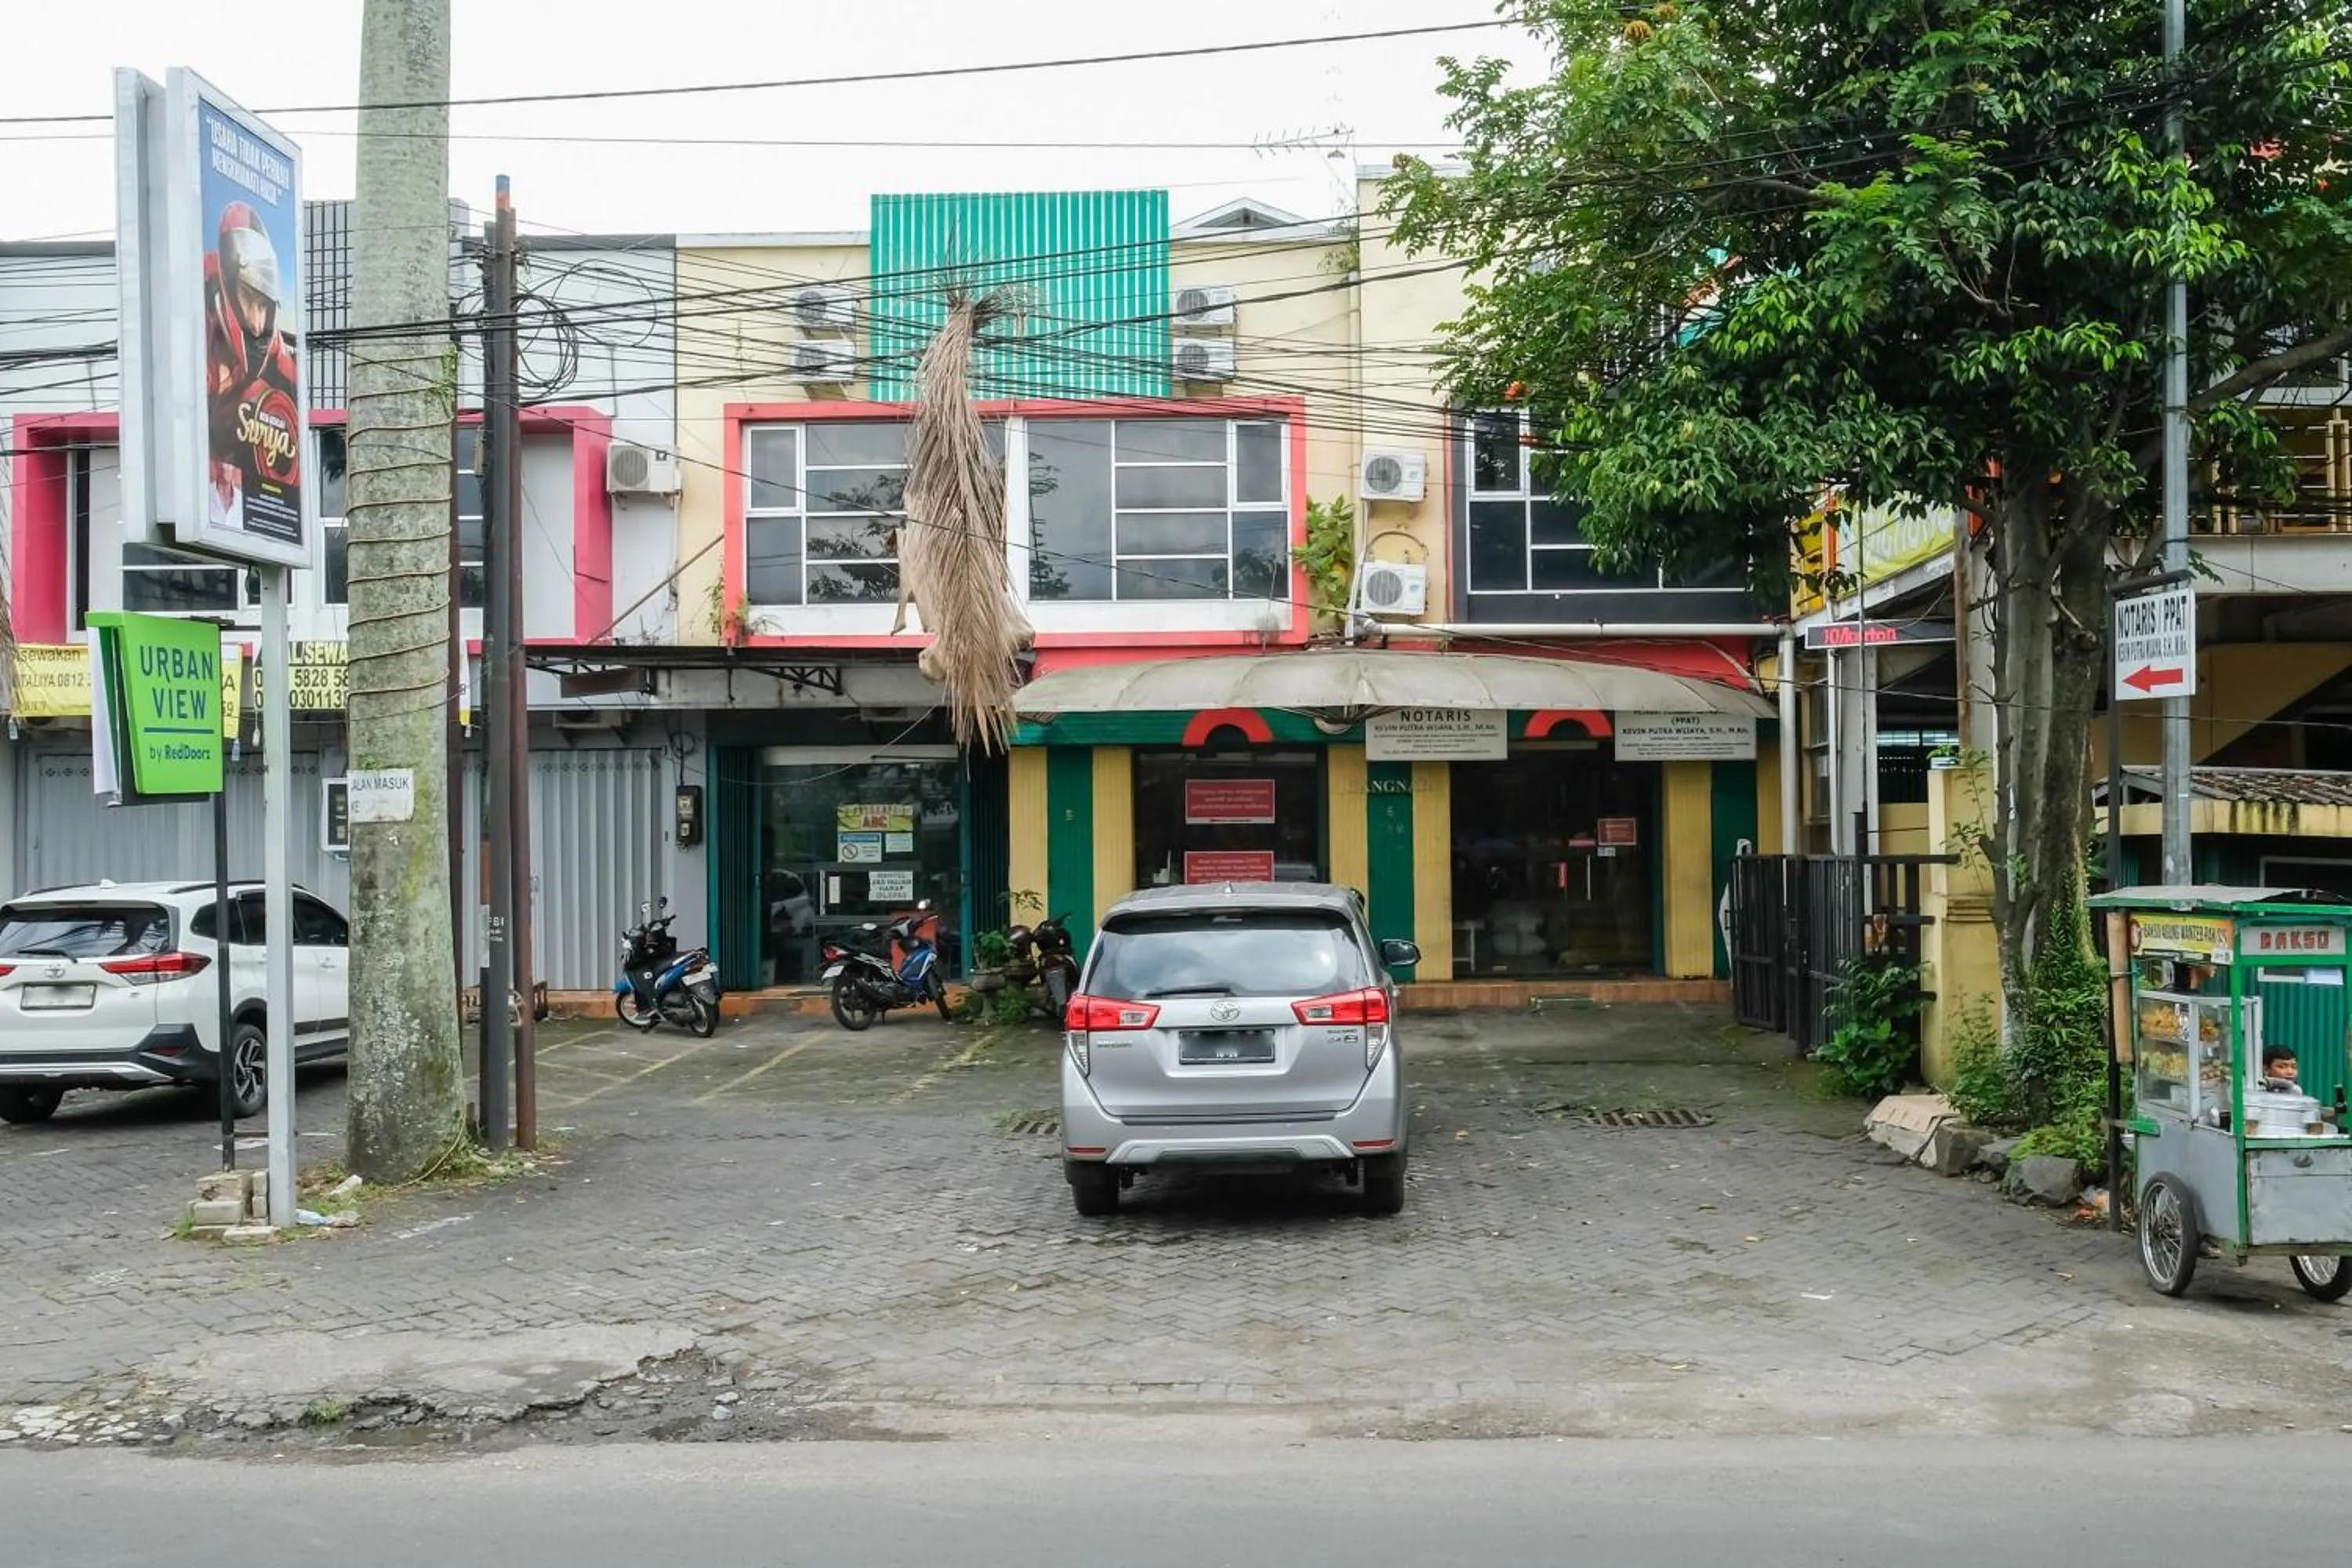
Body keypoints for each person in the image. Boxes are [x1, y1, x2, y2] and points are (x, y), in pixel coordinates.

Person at [204, 201, 302, 527]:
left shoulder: (275, 349)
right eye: (250, 301)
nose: (258, 325)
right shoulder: (197, 320)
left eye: (265, 306)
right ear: (229, 281)